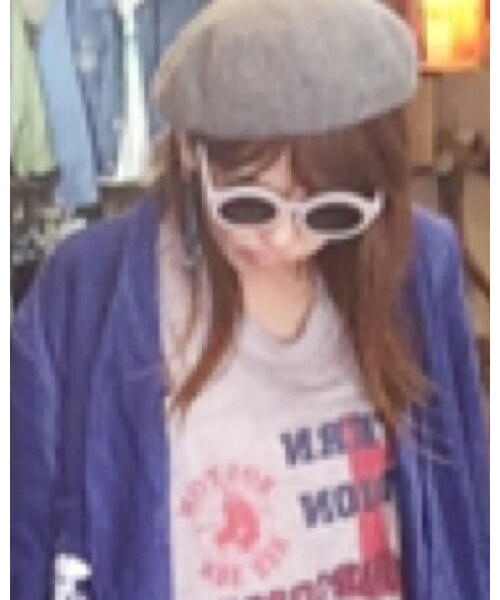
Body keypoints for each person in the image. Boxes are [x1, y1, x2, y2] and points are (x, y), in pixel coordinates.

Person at [11, 0, 489, 598]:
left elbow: (461, 510)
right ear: (189, 153)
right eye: (249, 204)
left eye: (330, 210)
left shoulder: (416, 264)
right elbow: (21, 525)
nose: (285, 237)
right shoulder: (89, 288)